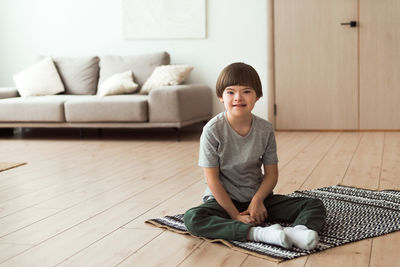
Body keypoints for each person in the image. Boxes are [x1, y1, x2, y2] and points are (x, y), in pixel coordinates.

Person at [183, 62, 326, 250]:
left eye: (246, 91)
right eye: (230, 92)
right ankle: (259, 234)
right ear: (220, 96)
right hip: (223, 202)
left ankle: (296, 232)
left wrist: (257, 201)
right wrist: (234, 215)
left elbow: (271, 174)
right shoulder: (212, 130)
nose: (238, 98)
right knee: (193, 218)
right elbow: (212, 180)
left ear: (258, 96)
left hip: (258, 198)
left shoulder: (265, 129)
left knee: (314, 204)